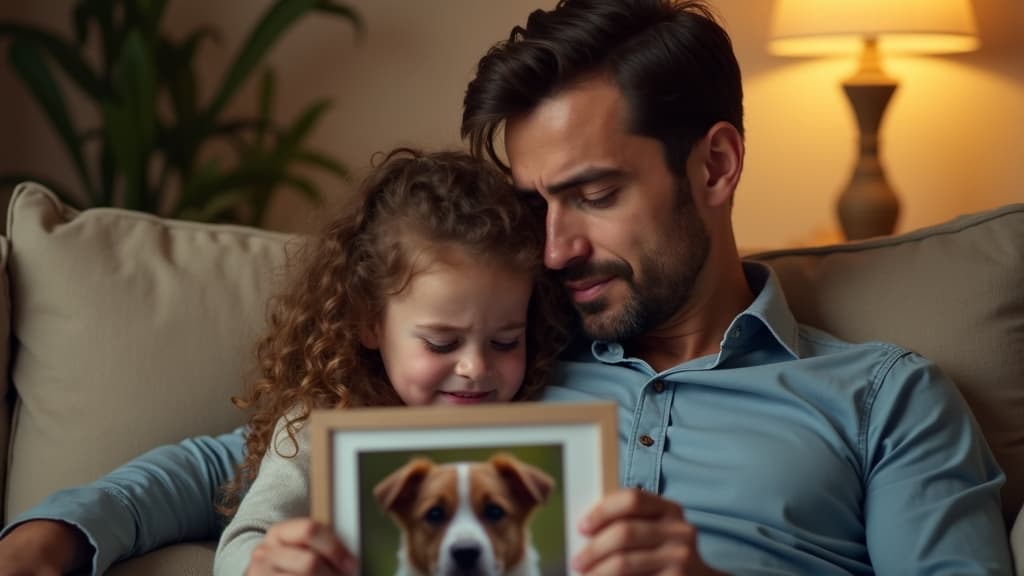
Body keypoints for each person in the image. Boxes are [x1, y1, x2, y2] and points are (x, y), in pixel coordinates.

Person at [0, 1, 1014, 575]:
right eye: (535, 206)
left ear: (712, 168)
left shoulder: (884, 398)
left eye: (593, 194)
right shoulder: (507, 359)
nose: (556, 246)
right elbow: (258, 451)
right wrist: (58, 530)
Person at [211, 147, 569, 574]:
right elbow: (246, 537)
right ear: (370, 322)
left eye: (506, 341)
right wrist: (260, 565)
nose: (475, 367)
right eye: (441, 343)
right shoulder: (318, 430)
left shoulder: (534, 426)